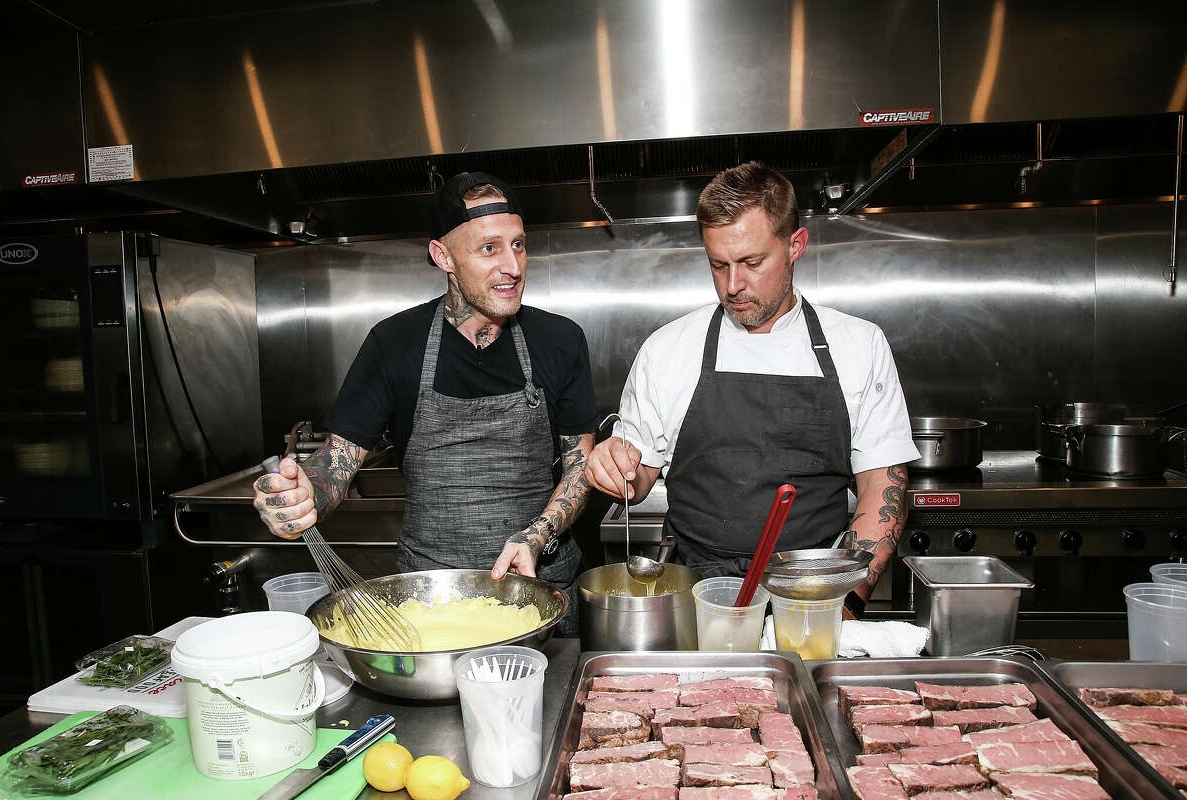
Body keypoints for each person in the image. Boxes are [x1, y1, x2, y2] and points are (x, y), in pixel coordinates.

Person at [585, 162, 919, 617]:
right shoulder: (668, 348)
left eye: (752, 263)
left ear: (795, 245)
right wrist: (614, 466)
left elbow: (883, 483)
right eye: (718, 265)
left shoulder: (858, 345)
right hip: (696, 599)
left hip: (812, 594)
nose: (733, 285)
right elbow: (637, 476)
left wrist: (847, 600)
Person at [253, 171, 597, 608]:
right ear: (444, 256)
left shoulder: (560, 340)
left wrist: (538, 533)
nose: (512, 266)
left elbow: (579, 468)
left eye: (518, 244)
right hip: (432, 597)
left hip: (540, 591)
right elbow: (337, 465)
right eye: (489, 248)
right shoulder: (393, 344)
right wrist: (304, 496)